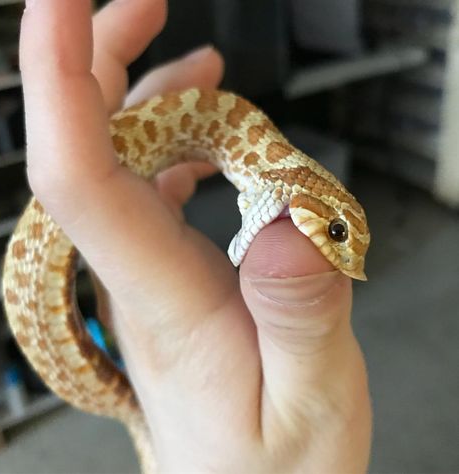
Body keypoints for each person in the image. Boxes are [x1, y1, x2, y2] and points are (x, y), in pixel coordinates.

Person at [20, 0, 371, 472]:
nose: (345, 263)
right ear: (307, 195)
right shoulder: (267, 160)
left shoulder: (261, 158)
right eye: (336, 232)